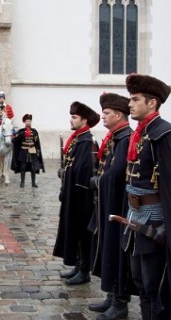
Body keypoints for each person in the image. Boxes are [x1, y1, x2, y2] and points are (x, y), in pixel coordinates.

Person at [122, 73, 171, 320]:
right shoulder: (141, 133)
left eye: (135, 99)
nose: (130, 104)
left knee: (153, 283)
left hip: (155, 220)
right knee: (141, 281)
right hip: (135, 217)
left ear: (152, 102)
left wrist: (168, 227)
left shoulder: (166, 135)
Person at [86, 93, 134, 320]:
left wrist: (97, 181)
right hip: (109, 202)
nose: (102, 117)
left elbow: (116, 172)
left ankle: (120, 302)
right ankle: (111, 294)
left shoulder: (125, 138)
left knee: (117, 251)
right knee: (109, 249)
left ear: (118, 114)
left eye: (106, 114)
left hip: (119, 205)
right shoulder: (116, 137)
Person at [53, 101, 99, 286]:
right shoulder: (77, 139)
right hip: (72, 195)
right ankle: (78, 265)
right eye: (71, 116)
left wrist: (66, 173)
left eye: (74, 117)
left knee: (82, 234)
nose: (71, 120)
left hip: (82, 198)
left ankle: (84, 269)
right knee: (75, 232)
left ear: (84, 120)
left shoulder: (87, 142)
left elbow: (83, 170)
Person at [10, 113, 44, 188]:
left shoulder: (34, 131)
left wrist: (38, 150)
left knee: (33, 167)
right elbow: (14, 140)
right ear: (24, 122)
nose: (28, 122)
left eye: (29, 121)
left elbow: (37, 142)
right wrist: (15, 137)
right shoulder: (21, 131)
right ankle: (22, 182)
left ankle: (33, 182)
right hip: (23, 152)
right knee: (23, 167)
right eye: (27, 121)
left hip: (32, 152)